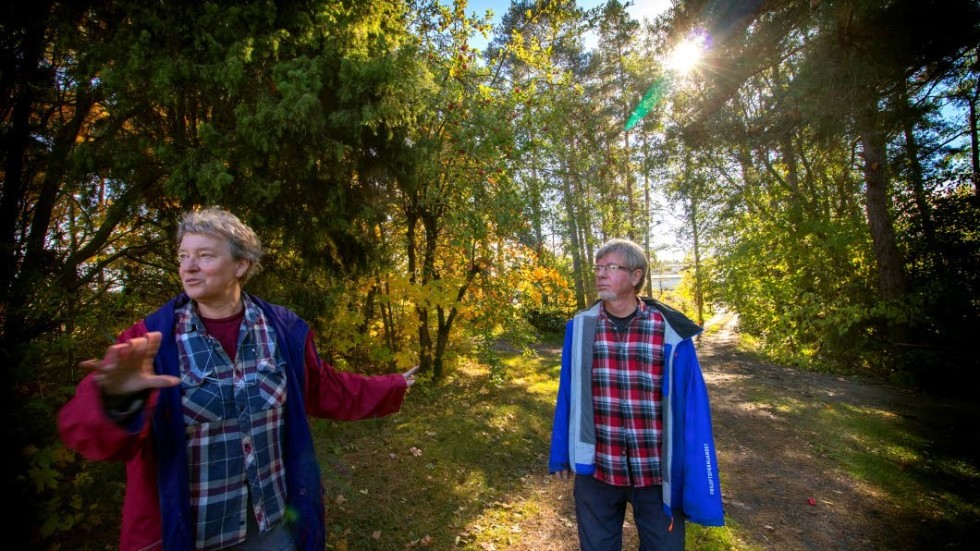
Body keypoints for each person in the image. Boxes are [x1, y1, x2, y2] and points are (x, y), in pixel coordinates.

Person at [59, 207, 419, 551]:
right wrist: (116, 401)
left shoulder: (282, 330)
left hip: (268, 524)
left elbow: (324, 387)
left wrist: (391, 385)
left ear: (241, 264)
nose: (189, 268)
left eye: (205, 256)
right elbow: (89, 434)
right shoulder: (151, 340)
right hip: (190, 532)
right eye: (183, 256)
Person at [548, 238, 724, 550]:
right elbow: (568, 394)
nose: (601, 274)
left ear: (636, 275)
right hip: (599, 468)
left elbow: (692, 408)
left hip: (656, 474)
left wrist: (693, 468)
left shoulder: (670, 331)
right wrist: (561, 452)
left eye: (611, 267)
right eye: (598, 267)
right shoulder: (580, 327)